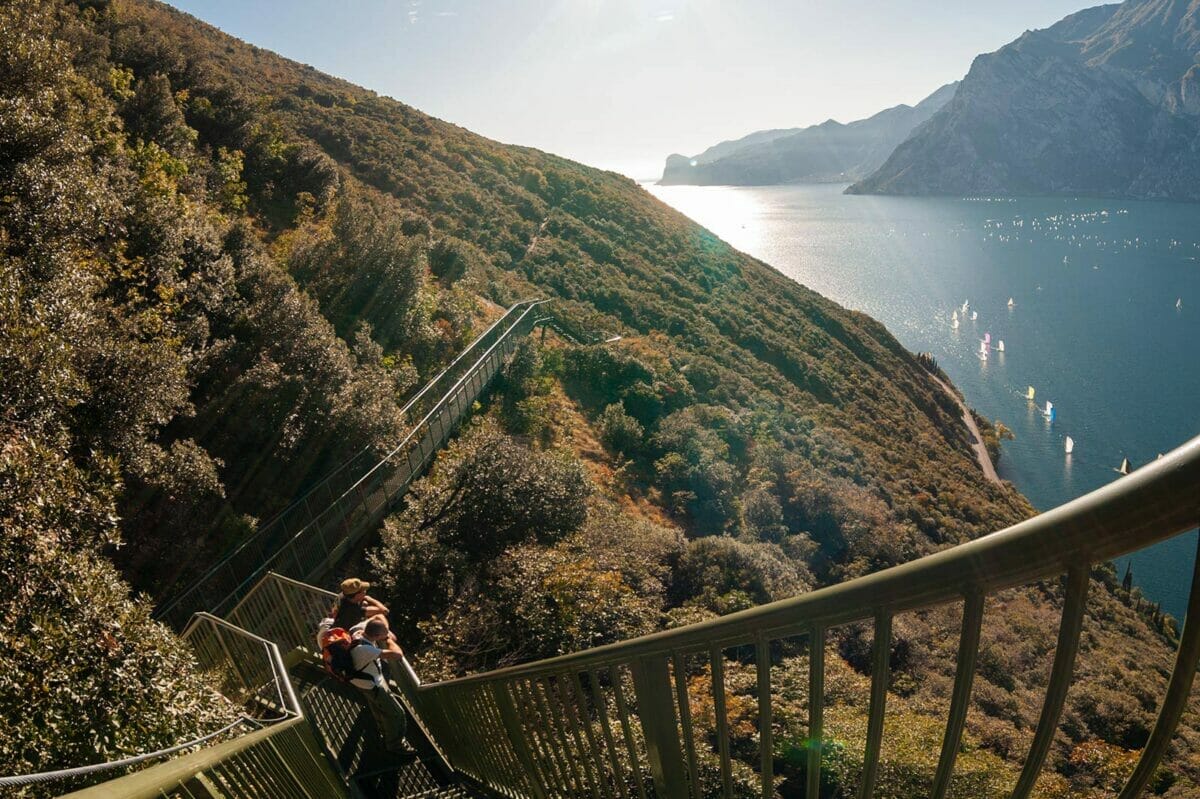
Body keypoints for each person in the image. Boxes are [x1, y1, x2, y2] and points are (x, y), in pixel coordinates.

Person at [347, 616, 408, 754]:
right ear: (376, 636)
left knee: (378, 707)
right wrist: (389, 640)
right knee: (397, 714)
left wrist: (385, 631)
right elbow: (397, 654)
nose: (387, 634)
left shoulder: (358, 631)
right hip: (371, 685)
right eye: (384, 633)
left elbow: (379, 616)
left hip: (362, 681)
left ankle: (383, 730)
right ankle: (394, 746)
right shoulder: (365, 650)